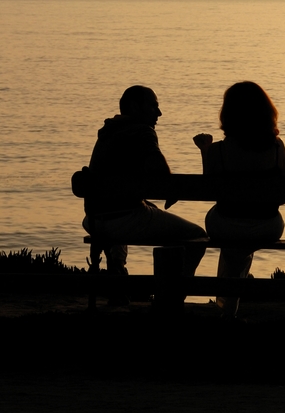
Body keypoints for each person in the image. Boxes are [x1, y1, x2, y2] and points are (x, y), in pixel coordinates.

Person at [83, 85, 206, 277]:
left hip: (94, 220)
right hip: (125, 219)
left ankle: (118, 273)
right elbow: (161, 172)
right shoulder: (142, 131)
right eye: (153, 106)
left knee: (143, 211)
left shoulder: (108, 131)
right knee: (198, 236)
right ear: (134, 107)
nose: (159, 113)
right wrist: (171, 190)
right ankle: (173, 292)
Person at [193, 81, 285, 317]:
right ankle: (229, 305)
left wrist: (205, 151)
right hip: (267, 227)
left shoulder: (218, 150)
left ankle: (226, 304)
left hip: (225, 225)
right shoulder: (276, 148)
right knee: (243, 240)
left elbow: (210, 192)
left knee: (231, 234)